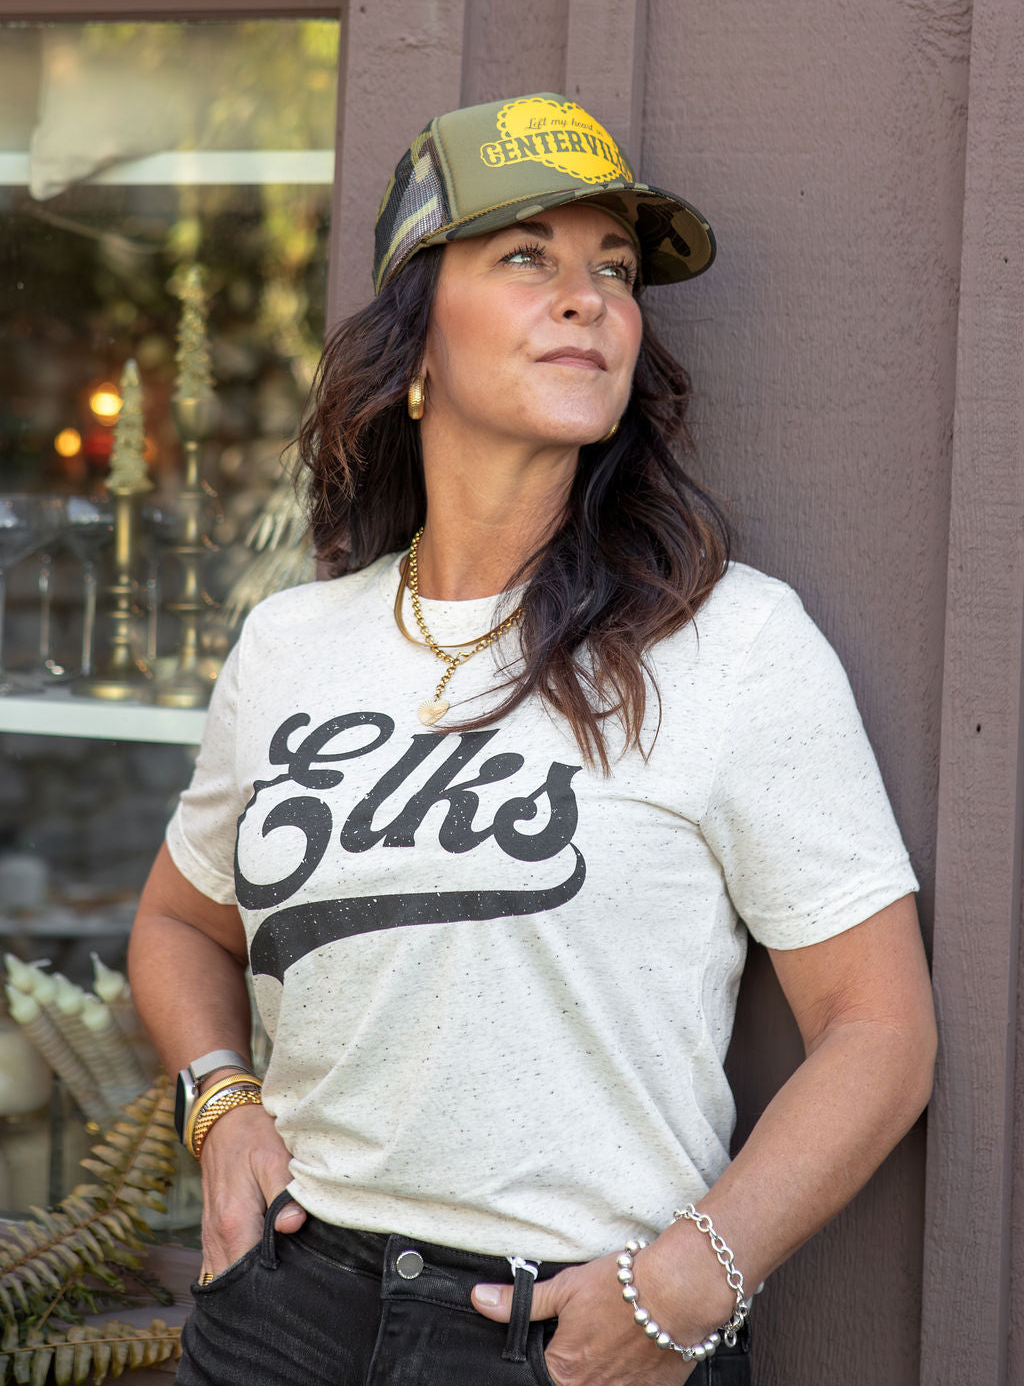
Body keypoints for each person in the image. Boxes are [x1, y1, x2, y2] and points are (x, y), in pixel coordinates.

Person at [129, 91, 937, 1386]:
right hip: (284, 1313)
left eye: (613, 270)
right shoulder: (293, 645)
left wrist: (690, 1283)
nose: (587, 300)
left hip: (567, 1337)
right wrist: (221, 1107)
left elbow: (880, 1030)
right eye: (526, 258)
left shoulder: (732, 641)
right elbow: (179, 925)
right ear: (415, 350)